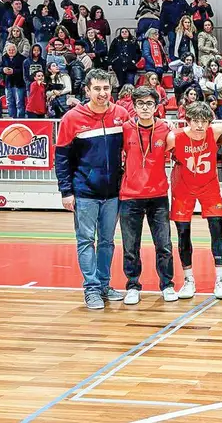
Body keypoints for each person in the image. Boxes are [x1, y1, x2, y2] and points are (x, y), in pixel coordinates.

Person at [55, 69, 130, 310]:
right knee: (86, 241)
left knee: (107, 242)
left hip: (112, 192)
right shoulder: (71, 118)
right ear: (87, 90)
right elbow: (62, 158)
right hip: (84, 191)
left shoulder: (121, 114)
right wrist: (66, 191)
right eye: (96, 88)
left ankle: (104, 285)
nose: (102, 93)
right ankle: (91, 288)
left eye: (106, 88)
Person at [166, 101, 222, 299]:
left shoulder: (213, 132)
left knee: (217, 231)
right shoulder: (174, 137)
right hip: (183, 188)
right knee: (183, 233)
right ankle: (188, 280)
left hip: (209, 188)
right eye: (195, 121)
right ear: (188, 121)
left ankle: (220, 279)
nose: (199, 126)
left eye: (204, 121)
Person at [119, 87, 177, 305]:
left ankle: (167, 284)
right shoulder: (125, 129)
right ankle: (133, 285)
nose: (145, 108)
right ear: (134, 106)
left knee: (164, 245)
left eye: (149, 104)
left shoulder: (165, 129)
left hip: (158, 195)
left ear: (156, 107)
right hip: (130, 196)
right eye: (141, 104)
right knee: (130, 246)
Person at [1, 43, 26, 118]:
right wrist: (3, 70)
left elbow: (24, 71)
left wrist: (13, 71)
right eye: (9, 50)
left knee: (19, 103)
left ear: (16, 50)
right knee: (9, 103)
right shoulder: (4, 57)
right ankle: (12, 118)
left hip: (19, 84)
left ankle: (20, 119)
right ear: (6, 50)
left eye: (13, 50)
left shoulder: (22, 58)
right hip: (8, 84)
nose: (11, 51)